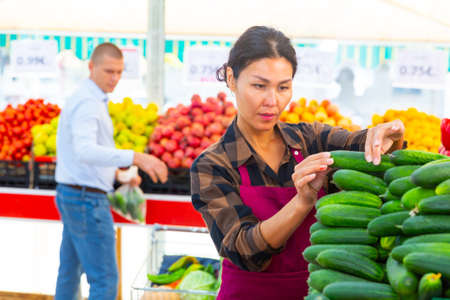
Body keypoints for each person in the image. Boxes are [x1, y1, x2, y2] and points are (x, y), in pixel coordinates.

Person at [190, 26, 404, 300]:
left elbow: (369, 152)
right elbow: (245, 250)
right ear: (231, 79)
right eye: (259, 85)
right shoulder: (212, 165)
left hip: (318, 293)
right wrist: (302, 201)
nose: (272, 101)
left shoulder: (311, 139)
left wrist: (389, 137)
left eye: (283, 87)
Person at [54, 43, 168, 300]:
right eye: (109, 71)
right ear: (91, 67)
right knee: (105, 280)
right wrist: (136, 157)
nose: (115, 78)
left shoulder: (88, 98)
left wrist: (117, 175)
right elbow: (85, 150)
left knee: (69, 274)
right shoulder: (88, 103)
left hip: (75, 193)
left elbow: (78, 154)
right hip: (85, 200)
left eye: (119, 72)